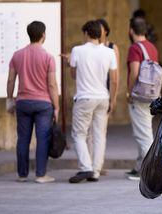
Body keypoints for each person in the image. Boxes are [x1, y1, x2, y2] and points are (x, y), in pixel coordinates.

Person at [6, 21, 59, 184]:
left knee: (23, 138)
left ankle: (22, 175)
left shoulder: (17, 55)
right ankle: (41, 174)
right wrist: (56, 106)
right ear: (43, 35)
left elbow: (10, 80)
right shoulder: (48, 57)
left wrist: (9, 99)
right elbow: (52, 84)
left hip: (23, 102)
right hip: (43, 104)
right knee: (42, 138)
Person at [68, 20, 118, 183]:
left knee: (79, 134)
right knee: (99, 135)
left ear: (87, 33)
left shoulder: (77, 50)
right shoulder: (109, 52)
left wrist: (71, 63)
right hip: (103, 97)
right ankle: (95, 171)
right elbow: (115, 80)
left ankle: (85, 167)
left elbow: (73, 74)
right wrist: (113, 98)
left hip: (84, 97)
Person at [126, 17, 159, 180]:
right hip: (151, 96)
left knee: (143, 135)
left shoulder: (135, 48)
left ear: (131, 30)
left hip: (139, 96)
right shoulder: (152, 47)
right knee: (145, 130)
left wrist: (129, 92)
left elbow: (134, 72)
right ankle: (139, 166)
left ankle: (149, 171)